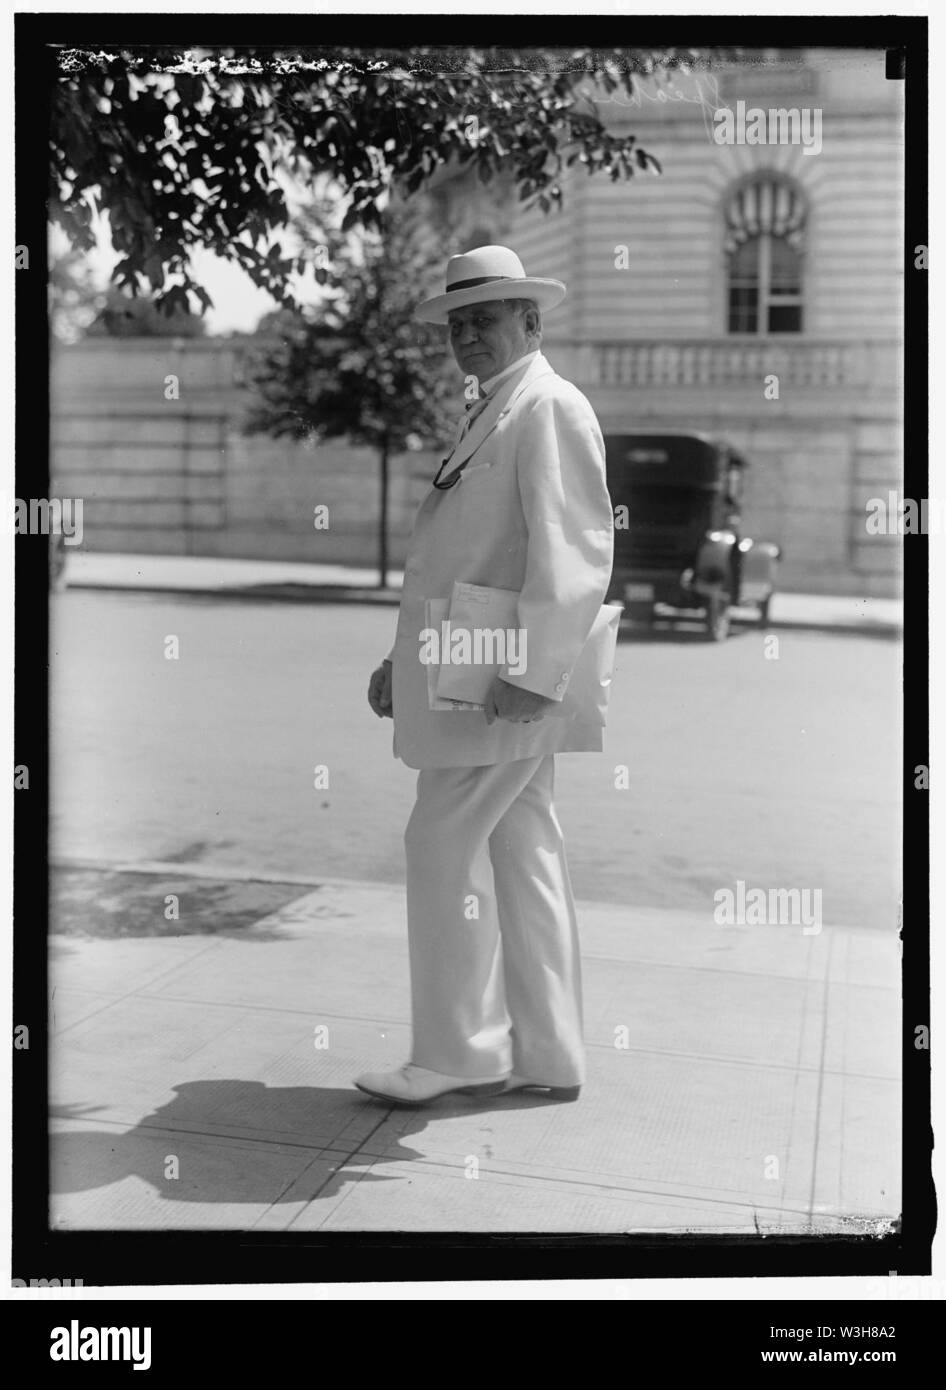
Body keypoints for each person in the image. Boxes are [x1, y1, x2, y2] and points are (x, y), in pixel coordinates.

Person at [356, 244, 614, 1106]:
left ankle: (459, 1052)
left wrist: (537, 674)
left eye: (487, 318)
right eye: (458, 323)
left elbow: (575, 550)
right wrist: (402, 660)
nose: (468, 334)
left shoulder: (549, 407)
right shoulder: (496, 408)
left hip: (498, 681)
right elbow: (456, 554)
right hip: (473, 667)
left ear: (529, 322)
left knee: (438, 845)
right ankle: (549, 1053)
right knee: (523, 852)